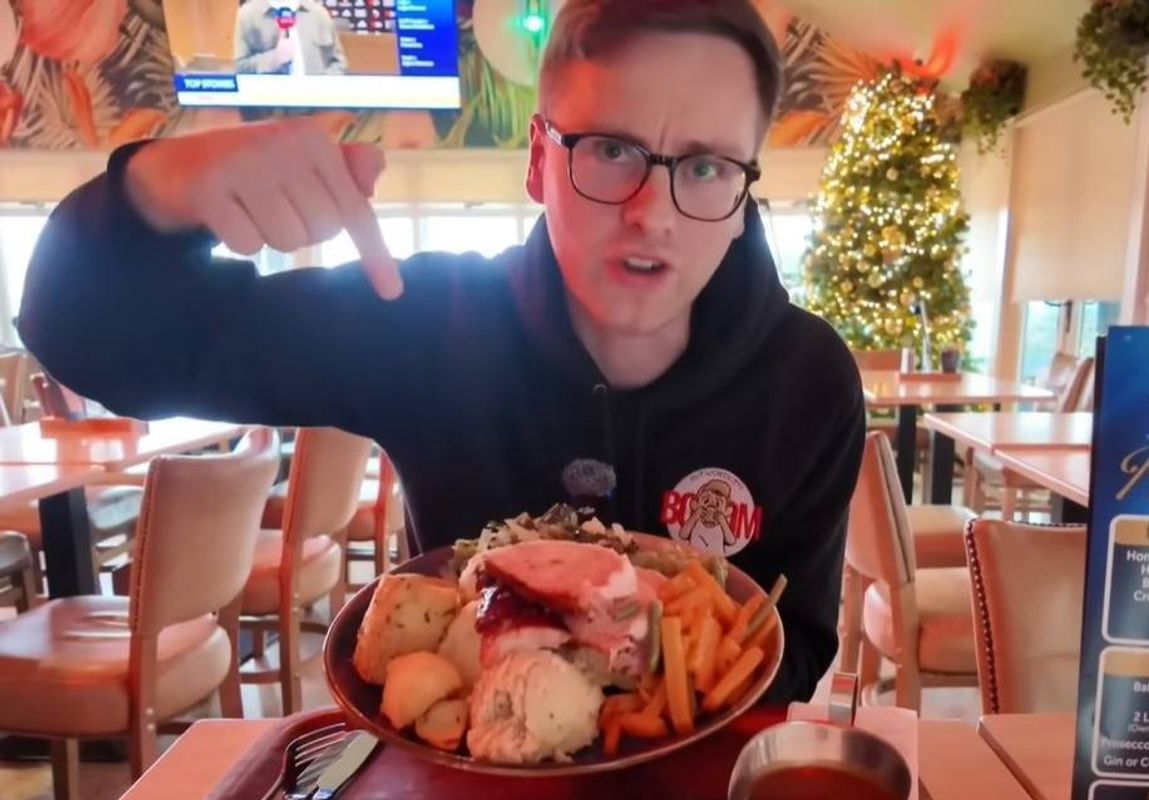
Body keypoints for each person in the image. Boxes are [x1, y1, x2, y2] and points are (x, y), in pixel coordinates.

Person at [19, 0, 865, 702]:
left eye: (709, 167)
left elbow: (796, 647)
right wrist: (158, 190)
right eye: (611, 150)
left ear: (750, 184)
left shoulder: (810, 381)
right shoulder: (425, 318)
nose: (654, 211)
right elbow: (90, 338)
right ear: (538, 161)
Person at [235, 0, 347, 76]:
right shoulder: (248, 15)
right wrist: (274, 59)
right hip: (268, 107)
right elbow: (237, 68)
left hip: (316, 107)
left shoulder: (318, 14)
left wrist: (322, 89)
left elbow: (338, 63)